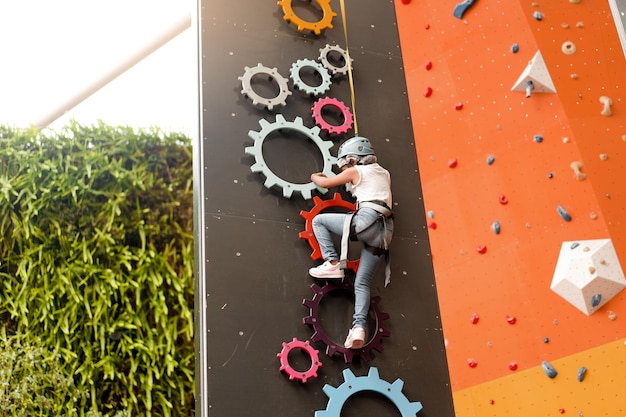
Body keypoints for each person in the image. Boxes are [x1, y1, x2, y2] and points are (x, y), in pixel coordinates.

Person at [308, 136, 393, 349]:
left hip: (366, 221)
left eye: (345, 164)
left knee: (319, 221)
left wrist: (314, 176)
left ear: (353, 159)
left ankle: (332, 263)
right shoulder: (384, 173)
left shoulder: (356, 171)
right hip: (384, 233)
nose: (344, 170)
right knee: (361, 283)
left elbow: (326, 183)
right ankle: (359, 328)